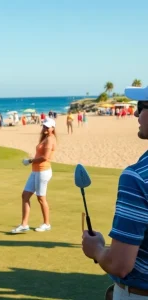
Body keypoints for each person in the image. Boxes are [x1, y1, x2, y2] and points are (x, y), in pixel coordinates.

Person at [82, 86, 148, 300]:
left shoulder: (136, 177)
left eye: (140, 106)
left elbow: (120, 265)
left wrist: (97, 249)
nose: (136, 114)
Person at [11, 118, 57, 233]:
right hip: (36, 171)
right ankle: (24, 224)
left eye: (48, 127)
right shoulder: (45, 138)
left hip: (43, 171)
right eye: (44, 126)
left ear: (53, 128)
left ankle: (47, 224)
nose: (45, 128)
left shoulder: (50, 139)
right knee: (25, 195)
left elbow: (45, 157)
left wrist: (30, 160)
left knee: (41, 198)